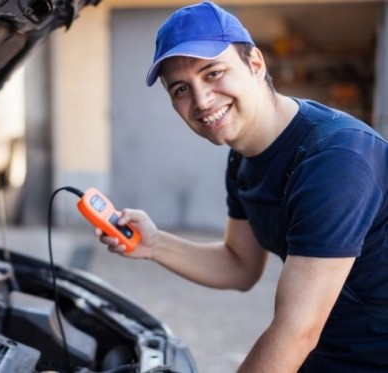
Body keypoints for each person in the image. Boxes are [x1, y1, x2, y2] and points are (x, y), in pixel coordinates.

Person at [97, 2, 388, 372]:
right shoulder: (244, 158)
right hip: (329, 353)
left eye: (213, 73)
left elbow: (297, 331)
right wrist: (153, 244)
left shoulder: (338, 158)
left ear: (255, 64)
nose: (201, 100)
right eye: (181, 89)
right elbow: (239, 264)